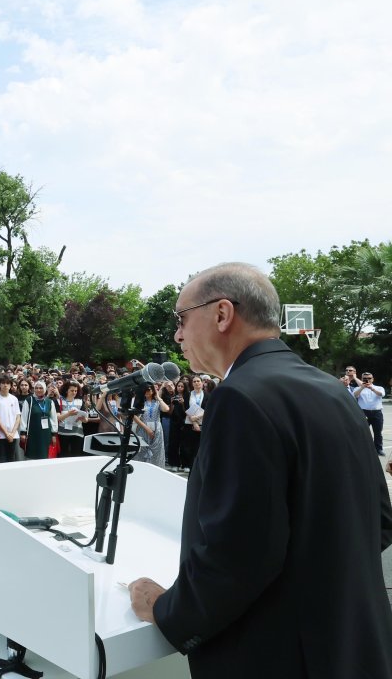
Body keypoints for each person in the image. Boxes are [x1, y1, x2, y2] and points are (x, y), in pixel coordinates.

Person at [128, 262, 392, 678]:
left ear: (221, 314)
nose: (177, 335)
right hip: (351, 642)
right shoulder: (330, 388)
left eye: (181, 319)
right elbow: (378, 520)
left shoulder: (240, 397)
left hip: (279, 655)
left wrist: (166, 609)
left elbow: (238, 554)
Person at [132, 384, 169, 469]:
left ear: (153, 391)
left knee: (157, 451)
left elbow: (166, 409)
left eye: (148, 390)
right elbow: (134, 416)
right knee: (142, 450)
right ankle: (141, 470)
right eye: (145, 390)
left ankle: (157, 470)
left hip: (157, 429)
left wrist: (159, 398)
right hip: (143, 428)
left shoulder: (157, 402)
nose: (146, 392)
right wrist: (147, 428)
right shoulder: (140, 402)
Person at [352, 371, 386, 455]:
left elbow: (381, 394)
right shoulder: (358, 388)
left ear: (373, 379)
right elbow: (355, 395)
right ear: (361, 379)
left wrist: (372, 388)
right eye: (365, 379)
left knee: (378, 432)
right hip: (363, 413)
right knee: (362, 432)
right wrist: (362, 387)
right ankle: (362, 449)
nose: (367, 380)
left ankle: (378, 449)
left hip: (377, 413)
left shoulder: (379, 387)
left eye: (369, 378)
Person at [0, 376, 20, 463]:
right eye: (3, 383)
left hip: (13, 435)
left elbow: (18, 417)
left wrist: (12, 433)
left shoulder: (14, 399)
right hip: (0, 435)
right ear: (0, 385)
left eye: (7, 383)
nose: (5, 385)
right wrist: (6, 433)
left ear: (10, 386)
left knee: (11, 459)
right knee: (1, 460)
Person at [23, 381, 57, 460]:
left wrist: (53, 434)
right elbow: (24, 417)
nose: (38, 390)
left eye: (41, 388)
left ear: (45, 389)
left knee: (45, 455)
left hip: (46, 433)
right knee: (32, 456)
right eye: (36, 388)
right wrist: (23, 432)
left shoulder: (49, 402)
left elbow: (53, 419)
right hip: (33, 433)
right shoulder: (29, 401)